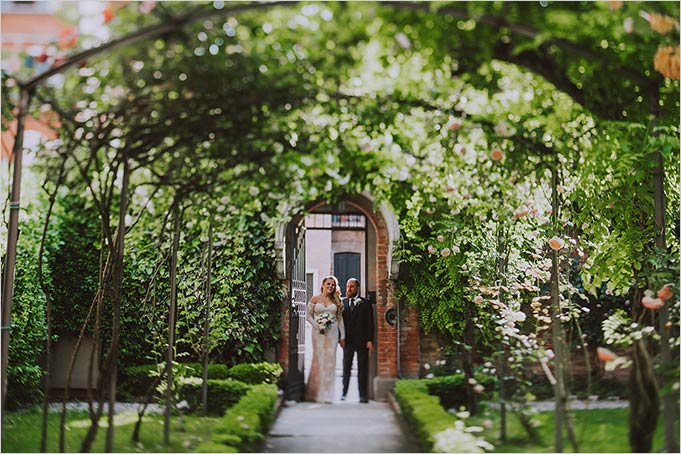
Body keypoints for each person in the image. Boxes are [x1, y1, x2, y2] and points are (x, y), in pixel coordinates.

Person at [305, 276, 345, 403]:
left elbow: (340, 320)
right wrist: (317, 325)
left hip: (332, 333)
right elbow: (308, 316)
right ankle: (317, 391)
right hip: (318, 333)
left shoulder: (336, 300)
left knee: (330, 361)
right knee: (319, 360)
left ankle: (328, 393)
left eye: (333, 285)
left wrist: (343, 336)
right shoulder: (315, 299)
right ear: (323, 285)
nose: (330, 286)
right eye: (328, 284)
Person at [341, 278, 374, 403]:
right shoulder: (342, 303)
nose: (349, 289)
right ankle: (344, 392)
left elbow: (370, 323)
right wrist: (341, 338)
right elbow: (339, 323)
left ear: (358, 288)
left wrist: (370, 340)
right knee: (346, 367)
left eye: (352, 287)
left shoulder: (365, 303)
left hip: (362, 340)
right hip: (348, 341)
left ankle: (363, 395)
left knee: (363, 368)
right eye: (348, 286)